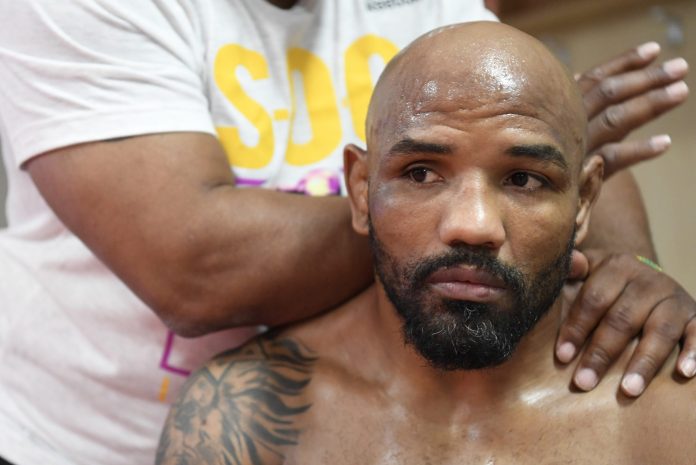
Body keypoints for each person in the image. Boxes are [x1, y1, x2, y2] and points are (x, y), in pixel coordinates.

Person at [0, 1, 694, 465]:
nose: (474, 222)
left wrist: (631, 271)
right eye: (420, 172)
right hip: (96, 439)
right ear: (359, 188)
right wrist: (448, 197)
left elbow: (554, 132)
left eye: (521, 182)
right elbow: (193, 268)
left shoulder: (671, 411)